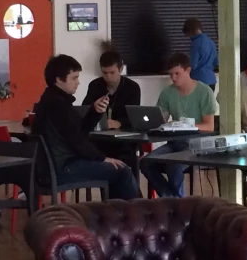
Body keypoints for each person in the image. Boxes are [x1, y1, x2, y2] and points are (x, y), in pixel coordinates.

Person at [33, 54, 141, 200]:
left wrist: (94, 112)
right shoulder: (58, 105)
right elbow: (76, 140)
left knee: (118, 167)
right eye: (74, 78)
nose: (78, 83)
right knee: (122, 170)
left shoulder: (51, 100)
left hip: (55, 165)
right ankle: (140, 215)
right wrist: (102, 158)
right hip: (63, 167)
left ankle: (119, 216)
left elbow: (79, 131)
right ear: (59, 79)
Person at [140, 53, 216, 197]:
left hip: (196, 144)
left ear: (188, 71)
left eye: (177, 73)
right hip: (174, 143)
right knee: (145, 163)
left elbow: (209, 126)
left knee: (173, 164)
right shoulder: (167, 93)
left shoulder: (204, 91)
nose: (173, 78)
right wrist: (158, 124)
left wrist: (187, 126)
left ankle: (175, 202)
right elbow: (160, 120)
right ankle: (173, 200)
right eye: (171, 75)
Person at [82, 50, 141, 129]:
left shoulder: (132, 87)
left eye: (112, 72)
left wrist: (119, 123)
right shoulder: (95, 85)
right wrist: (94, 106)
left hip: (124, 132)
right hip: (99, 131)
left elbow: (134, 116)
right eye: (104, 73)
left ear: (121, 69)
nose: (108, 77)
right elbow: (84, 110)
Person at [183, 18, 218, 92]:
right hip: (211, 80)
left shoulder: (195, 44)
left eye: (188, 35)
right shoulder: (211, 42)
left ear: (191, 31)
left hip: (198, 80)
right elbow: (216, 62)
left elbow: (193, 65)